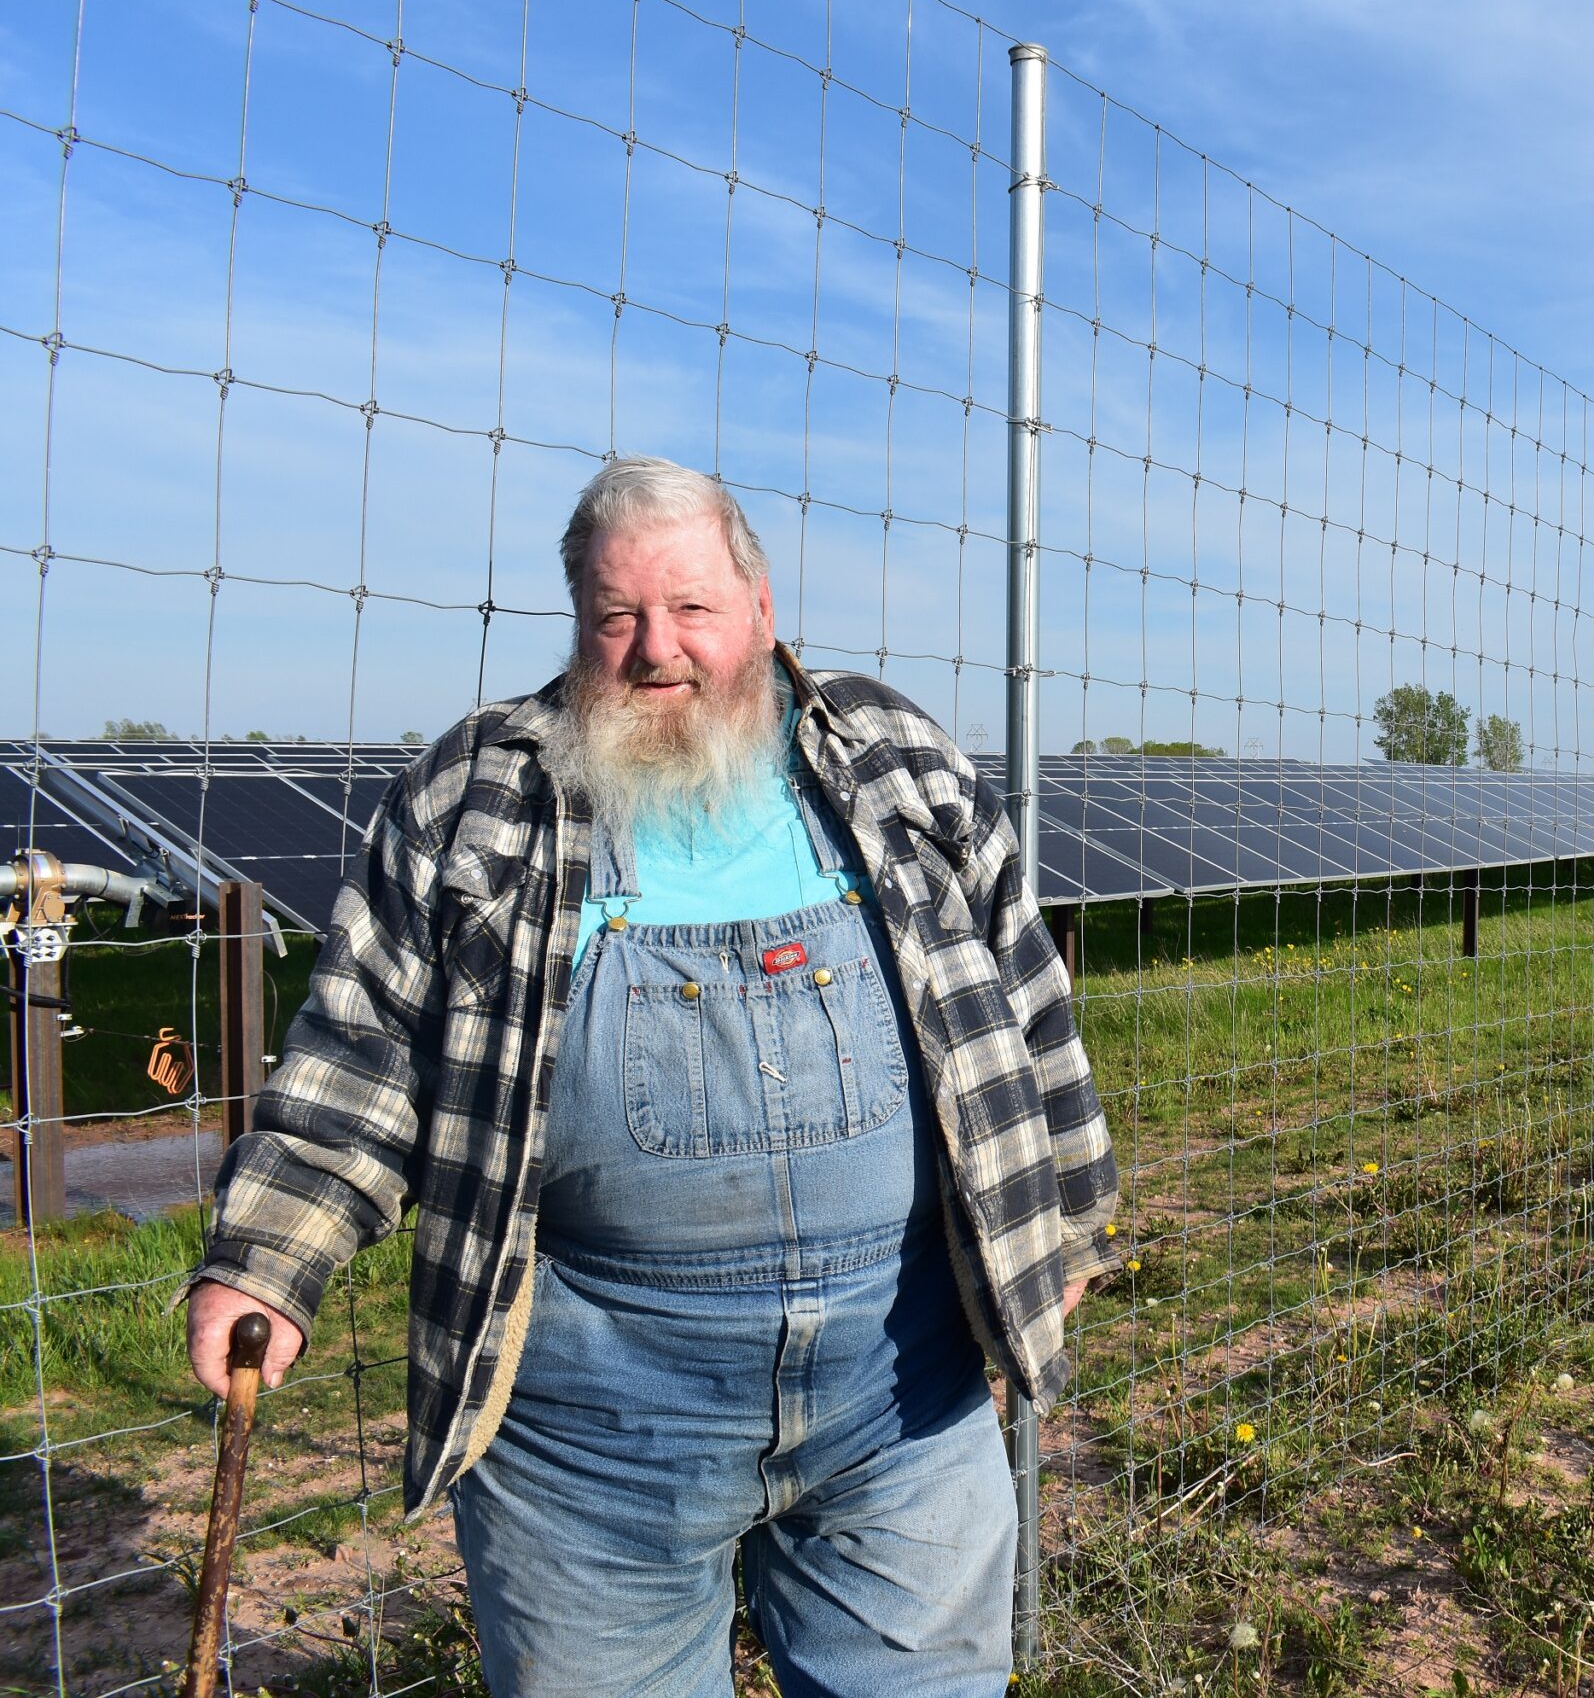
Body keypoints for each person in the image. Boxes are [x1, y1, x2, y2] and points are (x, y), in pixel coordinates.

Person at [184, 456, 1117, 1696]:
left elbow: (1024, 994)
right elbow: (362, 1050)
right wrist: (263, 1260)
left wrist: (1065, 1226)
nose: (655, 650)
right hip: (593, 1420)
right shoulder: (479, 795)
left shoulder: (894, 758)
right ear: (578, 624)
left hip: (901, 1385)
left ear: (762, 607)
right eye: (615, 616)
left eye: (690, 610)